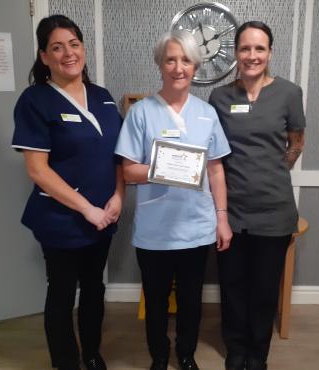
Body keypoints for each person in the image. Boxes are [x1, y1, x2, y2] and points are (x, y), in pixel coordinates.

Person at [11, 15, 124, 370]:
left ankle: (91, 353)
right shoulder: (35, 100)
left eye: (73, 44)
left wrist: (119, 196)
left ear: (84, 50)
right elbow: (37, 170)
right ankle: (66, 362)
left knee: (94, 289)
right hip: (62, 219)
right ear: (44, 57)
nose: (67, 53)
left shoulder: (103, 98)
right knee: (61, 294)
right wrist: (86, 209)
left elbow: (118, 157)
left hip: (103, 218)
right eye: (56, 47)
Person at [115, 30, 232, 370]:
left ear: (195, 67)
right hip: (156, 229)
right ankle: (159, 355)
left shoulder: (207, 114)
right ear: (160, 65)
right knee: (155, 300)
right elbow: (128, 172)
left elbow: (216, 172)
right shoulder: (142, 113)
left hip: (197, 226)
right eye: (171, 59)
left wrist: (221, 218)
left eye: (186, 60)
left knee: (192, 300)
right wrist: (164, 167)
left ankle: (186, 353)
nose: (178, 67)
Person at [209, 21, 306, 370]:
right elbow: (214, 154)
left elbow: (296, 143)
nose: (252, 56)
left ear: (270, 52)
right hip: (230, 211)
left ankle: (257, 354)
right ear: (236, 53)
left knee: (264, 290)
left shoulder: (289, 93)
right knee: (232, 285)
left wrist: (271, 174)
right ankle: (235, 350)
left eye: (259, 48)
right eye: (245, 48)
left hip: (273, 211)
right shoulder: (219, 97)